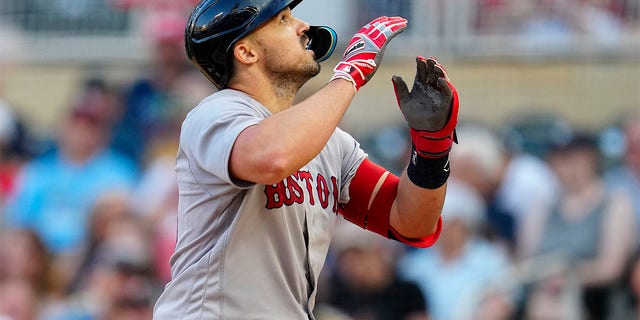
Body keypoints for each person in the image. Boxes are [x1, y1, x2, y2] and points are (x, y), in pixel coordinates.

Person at [153, 0, 460, 318]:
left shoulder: (328, 141)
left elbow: (412, 223)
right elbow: (271, 159)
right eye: (283, 19)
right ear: (246, 53)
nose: (303, 26)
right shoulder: (217, 111)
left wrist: (432, 146)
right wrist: (349, 75)